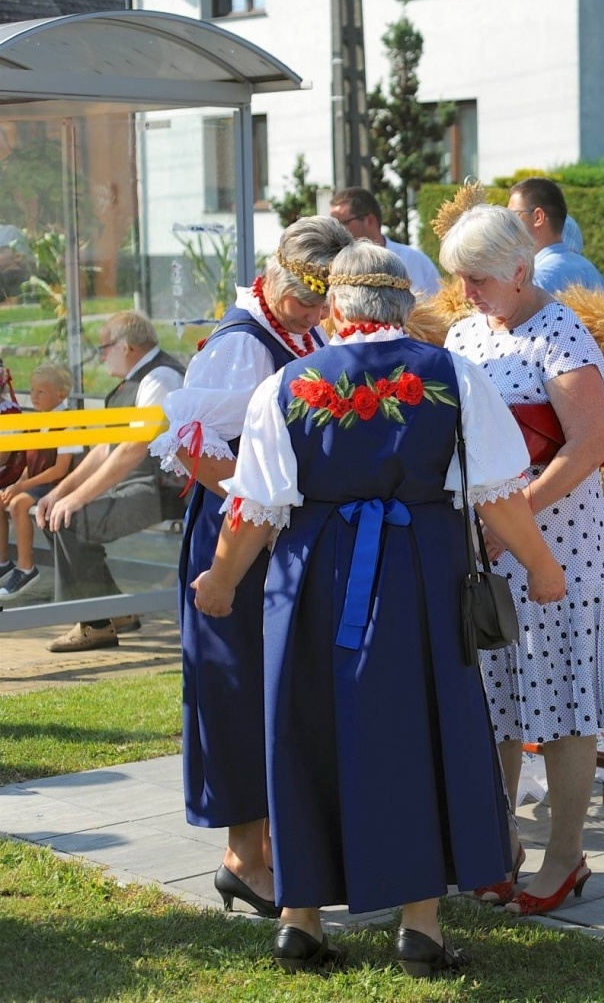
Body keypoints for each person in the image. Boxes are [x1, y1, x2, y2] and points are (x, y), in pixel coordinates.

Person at [191, 241, 567, 976]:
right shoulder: (451, 375)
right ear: (406, 305)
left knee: (306, 730)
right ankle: (418, 929)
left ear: (336, 307)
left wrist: (222, 579)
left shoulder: (290, 383)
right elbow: (497, 493)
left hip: (308, 583)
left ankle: (300, 921)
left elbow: (254, 506)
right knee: (419, 729)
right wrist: (543, 568)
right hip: (420, 576)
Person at [148, 216, 350, 920]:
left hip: (272, 532)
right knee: (238, 695)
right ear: (275, 277)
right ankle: (244, 858)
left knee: (277, 692)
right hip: (233, 537)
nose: (315, 313)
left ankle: (269, 848)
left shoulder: (297, 332)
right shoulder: (240, 348)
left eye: (323, 301)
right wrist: (267, 495)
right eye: (305, 299)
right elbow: (193, 450)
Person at [440, 204, 604, 916]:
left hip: (556, 541)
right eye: (459, 278)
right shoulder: (464, 333)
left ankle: (565, 854)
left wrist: (514, 523)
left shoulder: (563, 333)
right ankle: (499, 844)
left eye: (477, 278)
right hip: (490, 538)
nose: (465, 292)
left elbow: (586, 447)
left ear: (519, 270)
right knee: (495, 695)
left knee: (567, 696)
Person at [36, 310, 184, 652]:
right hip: (140, 484)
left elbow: (133, 449)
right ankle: (117, 611)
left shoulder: (159, 377)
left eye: (104, 347)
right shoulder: (135, 379)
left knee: (70, 519)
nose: (101, 355)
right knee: (54, 514)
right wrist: (60, 492)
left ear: (127, 346)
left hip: (162, 488)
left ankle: (96, 624)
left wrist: (74, 500)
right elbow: (107, 448)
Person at [0, 362, 77, 601]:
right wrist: (16, 484)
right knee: (4, 498)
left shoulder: (68, 422)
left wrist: (22, 487)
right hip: (37, 484)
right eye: (32, 391)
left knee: (18, 503)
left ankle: (26, 568)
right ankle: (3, 562)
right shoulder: (39, 422)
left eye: (40, 392)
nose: (33, 396)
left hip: (59, 485)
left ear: (61, 394)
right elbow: (28, 465)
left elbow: (59, 469)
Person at [329, 187, 442, 298]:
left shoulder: (415, 262)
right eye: (333, 224)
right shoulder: (333, 268)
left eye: (343, 223)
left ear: (370, 220)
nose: (337, 230)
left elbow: (440, 309)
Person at [507, 177, 604, 295]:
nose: (508, 223)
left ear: (538, 217)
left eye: (513, 215)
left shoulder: (537, 279)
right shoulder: (590, 270)